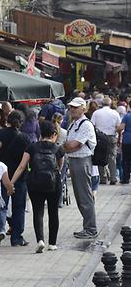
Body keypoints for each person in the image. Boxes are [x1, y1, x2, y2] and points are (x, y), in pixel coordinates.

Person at [12, 120, 64, 253]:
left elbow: (22, 167)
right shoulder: (58, 148)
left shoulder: (32, 147)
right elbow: (60, 166)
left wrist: (11, 183)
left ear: (40, 133)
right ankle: (52, 243)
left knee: (38, 212)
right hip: (53, 183)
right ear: (54, 133)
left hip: (35, 183)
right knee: (53, 213)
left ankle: (40, 240)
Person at [0, 110, 31, 248]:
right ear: (21, 122)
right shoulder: (25, 138)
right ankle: (17, 238)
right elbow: (27, 161)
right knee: (18, 207)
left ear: (7, 120)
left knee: (0, 205)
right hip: (19, 176)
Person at [63, 96, 98, 239]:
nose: (72, 109)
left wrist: (67, 146)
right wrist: (68, 146)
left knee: (85, 197)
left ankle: (91, 228)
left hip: (82, 161)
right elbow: (68, 144)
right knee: (80, 197)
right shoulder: (74, 124)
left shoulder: (85, 124)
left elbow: (73, 145)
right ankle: (88, 227)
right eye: (71, 107)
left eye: (75, 107)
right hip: (75, 161)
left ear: (83, 109)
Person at [91, 97, 122, 185]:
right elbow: (119, 127)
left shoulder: (96, 113)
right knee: (112, 157)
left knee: (100, 156)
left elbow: (92, 125)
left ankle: (103, 178)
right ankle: (113, 178)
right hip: (112, 136)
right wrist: (119, 137)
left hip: (100, 137)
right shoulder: (115, 113)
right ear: (110, 103)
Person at [121, 105, 131, 184]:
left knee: (126, 160)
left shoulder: (127, 116)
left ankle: (126, 178)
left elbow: (121, 128)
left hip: (127, 140)